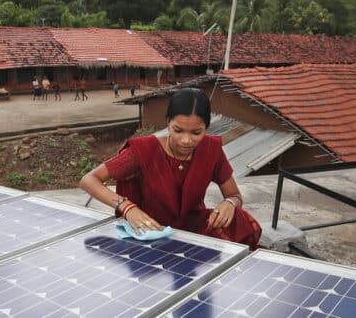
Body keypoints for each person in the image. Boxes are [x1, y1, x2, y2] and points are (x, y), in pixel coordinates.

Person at [80, 88, 261, 250]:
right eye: (178, 130)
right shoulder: (144, 151)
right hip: (151, 229)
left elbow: (234, 195)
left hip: (194, 228)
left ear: (206, 127)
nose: (186, 140)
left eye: (196, 132)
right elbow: (89, 180)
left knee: (240, 219)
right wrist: (127, 208)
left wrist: (229, 204)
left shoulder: (211, 150)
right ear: (168, 123)